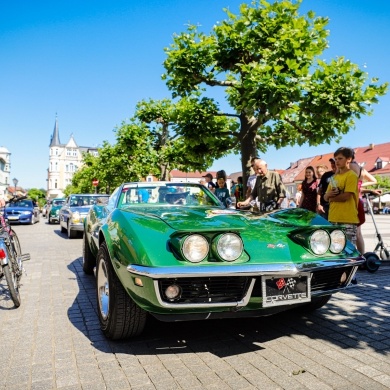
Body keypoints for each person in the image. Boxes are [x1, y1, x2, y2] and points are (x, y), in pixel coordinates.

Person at [324, 147, 359, 245]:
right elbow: (325, 197)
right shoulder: (334, 177)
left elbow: (346, 196)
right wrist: (328, 196)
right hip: (333, 218)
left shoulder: (351, 175)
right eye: (335, 159)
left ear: (349, 159)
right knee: (334, 249)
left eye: (340, 158)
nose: (337, 161)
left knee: (348, 251)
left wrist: (331, 198)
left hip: (347, 219)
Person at [350, 151, 381, 254]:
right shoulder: (361, 169)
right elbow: (374, 180)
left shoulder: (350, 166)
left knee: (352, 232)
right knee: (358, 232)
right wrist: (361, 184)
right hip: (359, 199)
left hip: (352, 201)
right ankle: (361, 255)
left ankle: (355, 257)